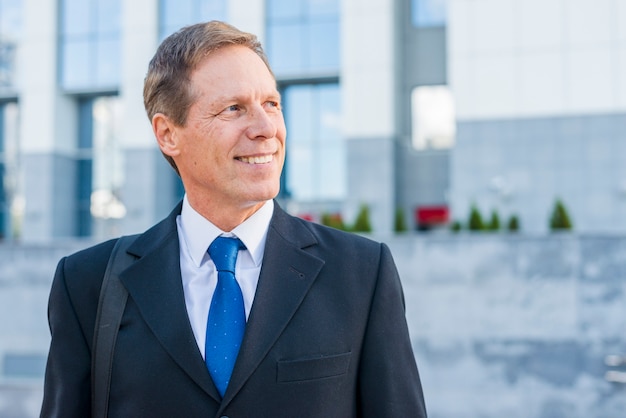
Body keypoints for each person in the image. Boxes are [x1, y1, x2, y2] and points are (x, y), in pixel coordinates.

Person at [40, 20, 427, 417]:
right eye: (234, 109)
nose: (265, 129)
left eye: (272, 104)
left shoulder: (360, 273)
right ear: (168, 134)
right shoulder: (86, 284)